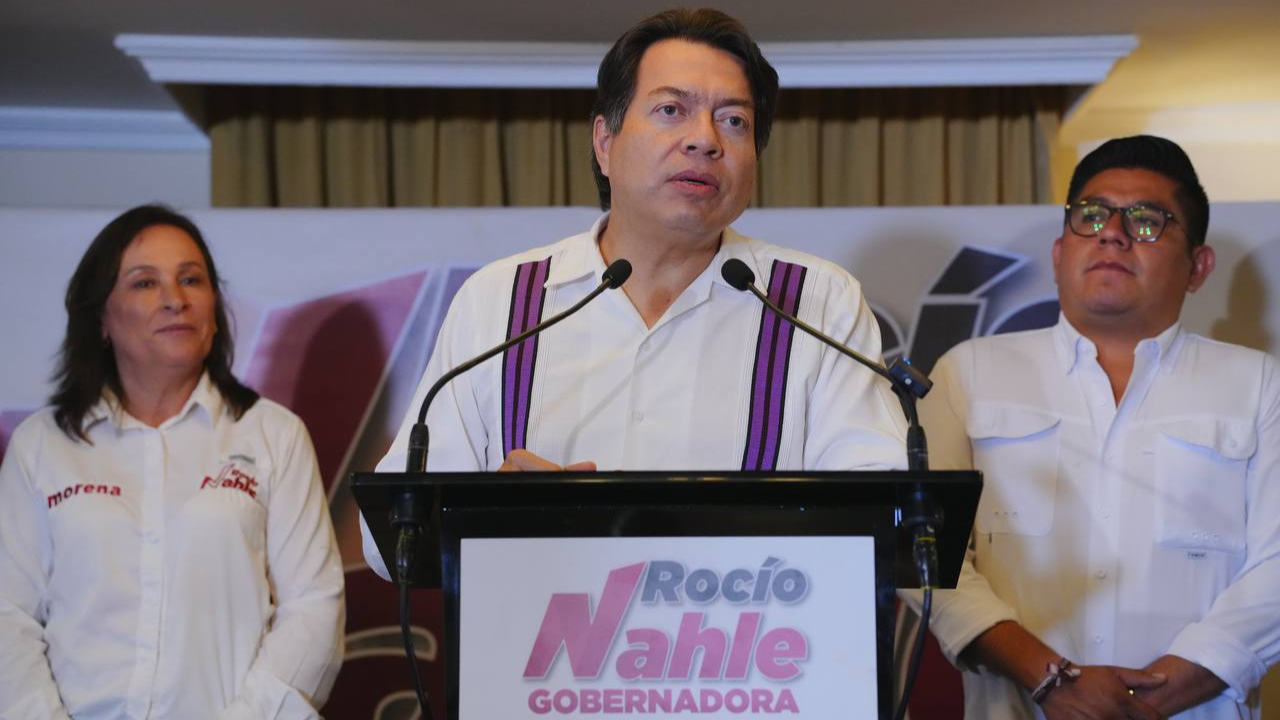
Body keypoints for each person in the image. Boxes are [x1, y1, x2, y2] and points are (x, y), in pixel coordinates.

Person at [362, 8, 907, 578]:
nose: (705, 140)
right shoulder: (501, 301)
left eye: (734, 121)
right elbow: (389, 542)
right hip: (541, 632)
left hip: (755, 630)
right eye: (672, 110)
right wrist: (489, 512)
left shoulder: (816, 303)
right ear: (605, 142)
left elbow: (888, 518)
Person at [902, 136, 1280, 719]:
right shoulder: (968, 374)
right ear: (1059, 253)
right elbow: (924, 552)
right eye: (1092, 215)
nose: (1113, 234)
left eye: (1147, 221)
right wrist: (1049, 680)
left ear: (1198, 267)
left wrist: (1162, 693)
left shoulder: (1258, 385)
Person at [0, 205, 345, 719]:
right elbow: (9, 616)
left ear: (214, 310)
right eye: (145, 283)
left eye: (191, 279)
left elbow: (314, 609)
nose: (175, 300)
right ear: (101, 319)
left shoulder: (274, 435)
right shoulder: (42, 445)